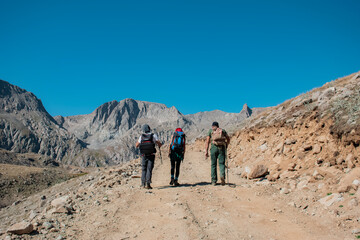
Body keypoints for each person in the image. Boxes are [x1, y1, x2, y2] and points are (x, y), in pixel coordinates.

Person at [136, 124, 162, 189]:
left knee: (144, 169)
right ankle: (148, 184)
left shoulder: (141, 136)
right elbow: (159, 144)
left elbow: (137, 145)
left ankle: (142, 184)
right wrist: (158, 143)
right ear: (149, 128)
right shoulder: (153, 135)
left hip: (144, 155)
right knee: (149, 169)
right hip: (151, 155)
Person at [205, 122, 230, 186]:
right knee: (221, 164)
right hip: (222, 148)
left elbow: (207, 141)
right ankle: (222, 176)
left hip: (213, 148)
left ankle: (214, 181)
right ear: (218, 126)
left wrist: (206, 151)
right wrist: (226, 145)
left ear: (212, 126)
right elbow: (228, 138)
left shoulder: (211, 131)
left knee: (213, 165)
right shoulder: (222, 131)